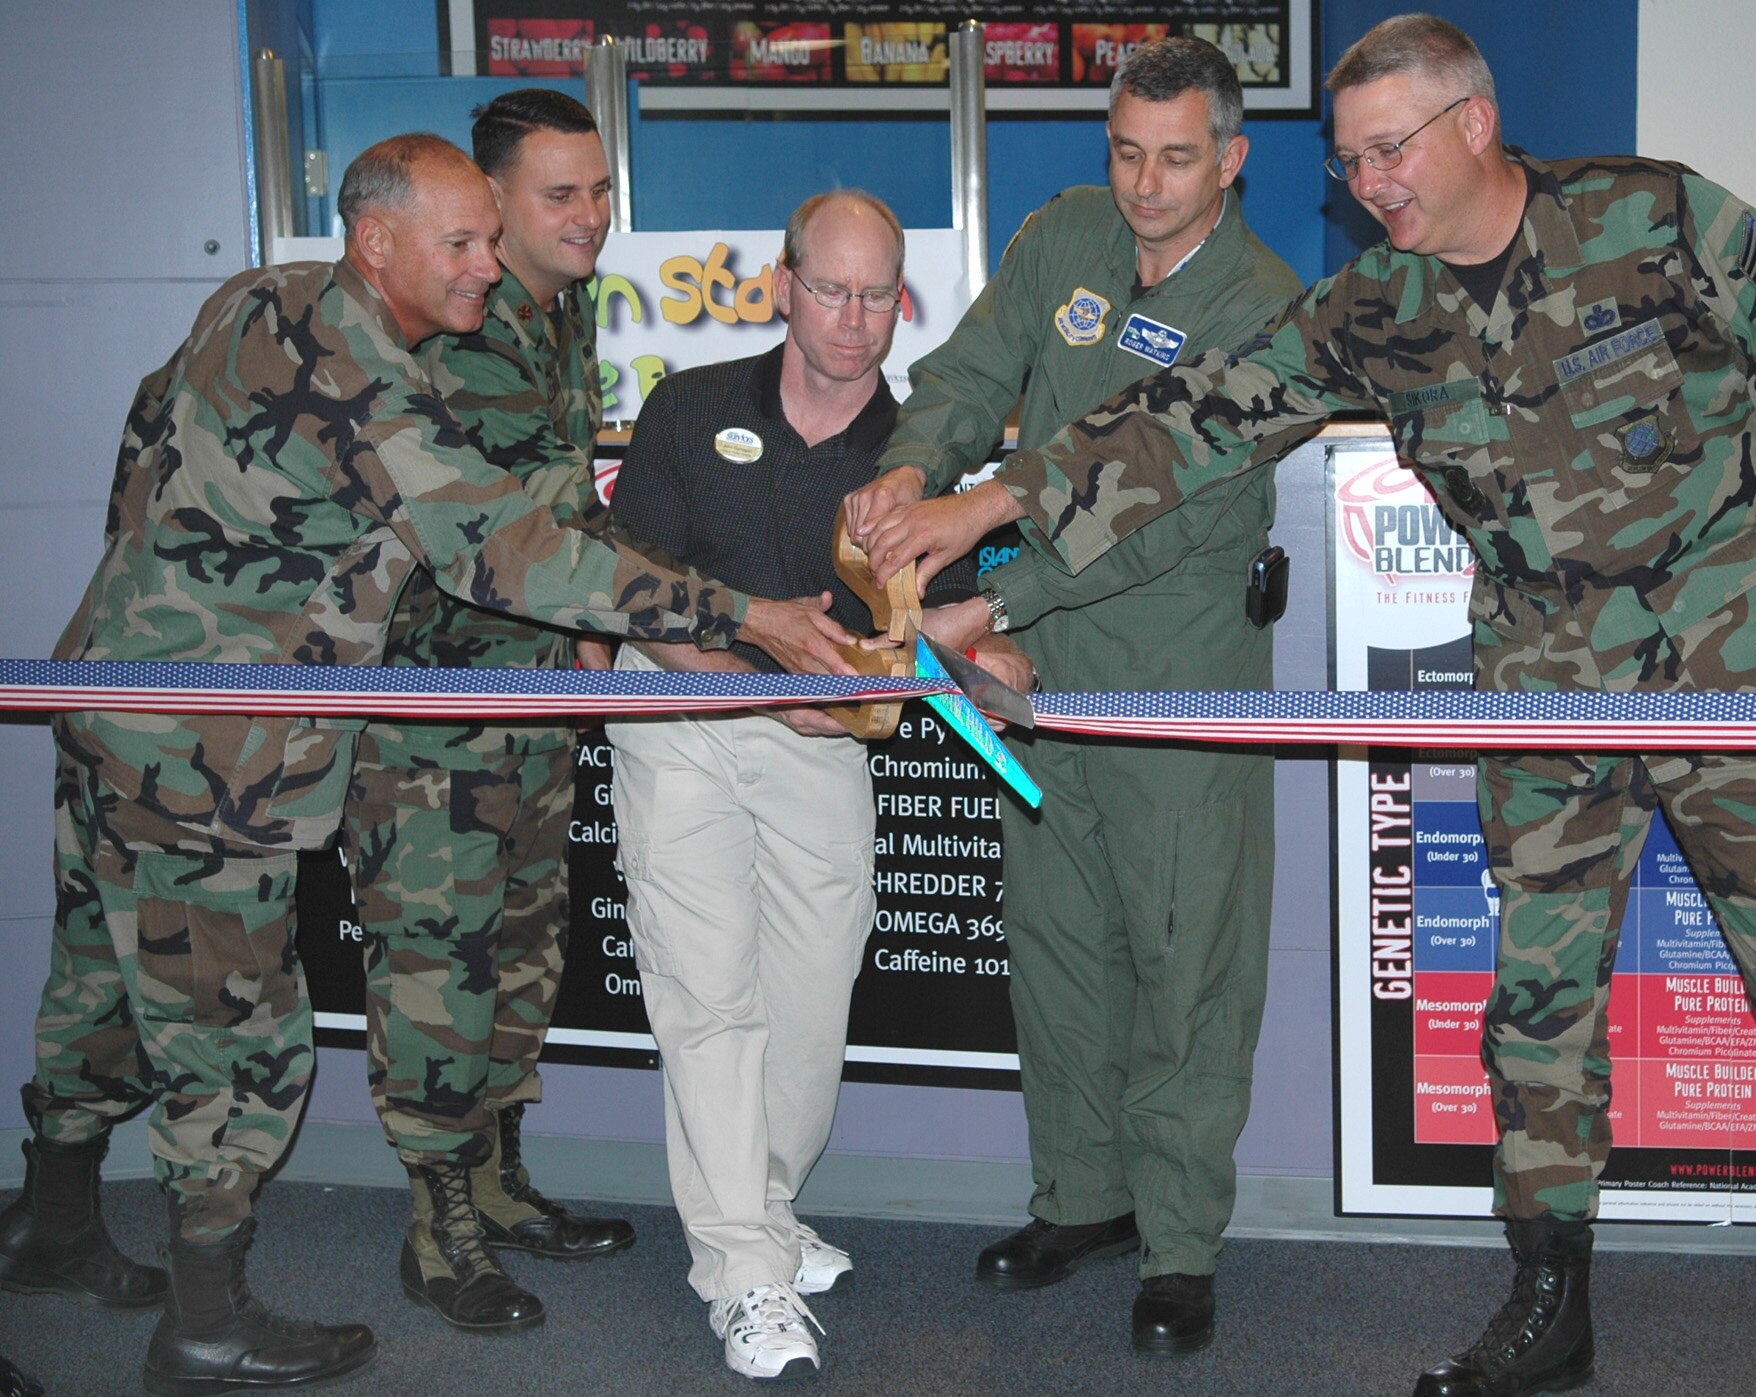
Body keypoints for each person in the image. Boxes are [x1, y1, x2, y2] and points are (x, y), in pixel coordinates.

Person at [852, 14, 1756, 1397]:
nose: (1370, 181)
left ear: (1473, 124)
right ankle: (1552, 1304)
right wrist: (991, 500)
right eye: (1352, 157)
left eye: (1391, 150)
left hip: (1746, 673)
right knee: (1539, 1004)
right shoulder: (1377, 306)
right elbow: (1188, 418)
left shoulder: (1650, 214)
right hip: (1547, 694)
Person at [6, 132, 853, 1396]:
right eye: (460, 242)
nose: (483, 263)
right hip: (208, 750)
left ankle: (56, 1220)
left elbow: (143, 436)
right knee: (238, 1033)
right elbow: (495, 545)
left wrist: (146, 603)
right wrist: (741, 615)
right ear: (376, 242)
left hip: (117, 698)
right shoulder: (356, 358)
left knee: (102, 974)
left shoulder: (252, 299)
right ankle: (205, 1319)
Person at [844, 36, 1303, 1356]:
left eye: (1176, 159)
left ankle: (1177, 1243)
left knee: (1183, 958)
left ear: (1231, 158)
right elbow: (976, 373)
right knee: (1057, 945)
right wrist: (910, 468)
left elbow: (1175, 521)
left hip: (1171, 671)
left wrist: (992, 597)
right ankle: (1081, 1199)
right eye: (1126, 153)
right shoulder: (1065, 237)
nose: (1147, 186)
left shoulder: (1264, 304)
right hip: (1029, 674)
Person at [601, 190, 1019, 1383]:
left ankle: (765, 1208)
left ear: (903, 300)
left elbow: (949, 610)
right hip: (680, 712)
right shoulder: (690, 407)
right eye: (829, 289)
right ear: (783, 284)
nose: (852, 318)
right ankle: (740, 1267)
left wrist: (970, 637)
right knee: (709, 993)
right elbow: (634, 586)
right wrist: (743, 677)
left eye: (877, 294)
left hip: (826, 736)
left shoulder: (912, 449)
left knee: (810, 992)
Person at [342, 91, 633, 1337]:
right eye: (558, 195)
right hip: (436, 715)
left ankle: (498, 1181)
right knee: (435, 970)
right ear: (492, 205)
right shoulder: (451, 335)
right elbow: (529, 524)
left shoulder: (555, 323)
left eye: (600, 191)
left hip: (526, 699)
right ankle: (437, 1226)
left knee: (518, 952)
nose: (588, 217)